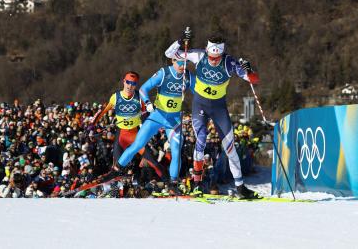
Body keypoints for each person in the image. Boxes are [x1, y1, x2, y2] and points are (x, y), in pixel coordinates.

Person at [167, 30, 260, 199]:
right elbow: (170, 54)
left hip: (219, 108)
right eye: (211, 56)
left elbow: (253, 80)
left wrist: (249, 69)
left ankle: (240, 187)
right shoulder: (199, 56)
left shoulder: (229, 63)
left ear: (222, 53)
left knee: (230, 147)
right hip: (200, 105)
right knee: (201, 138)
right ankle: (196, 183)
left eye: (216, 58)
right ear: (207, 50)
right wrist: (180, 41)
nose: (213, 60)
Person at [112, 53, 191, 193]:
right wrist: (148, 103)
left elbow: (201, 89)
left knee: (176, 150)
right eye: (179, 63)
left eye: (185, 63)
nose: (182, 66)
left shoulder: (187, 76)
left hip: (174, 120)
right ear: (173, 61)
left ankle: (173, 183)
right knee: (138, 144)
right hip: (157, 116)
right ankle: (117, 169)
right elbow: (143, 89)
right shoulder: (164, 73)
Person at [91, 71, 167, 181]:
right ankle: (114, 188)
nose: (130, 86)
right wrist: (91, 125)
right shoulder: (115, 97)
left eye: (133, 83)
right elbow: (103, 111)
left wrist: (152, 116)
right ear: (124, 82)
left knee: (153, 162)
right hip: (121, 136)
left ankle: (170, 185)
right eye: (128, 82)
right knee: (117, 167)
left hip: (136, 135)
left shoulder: (139, 97)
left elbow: (146, 116)